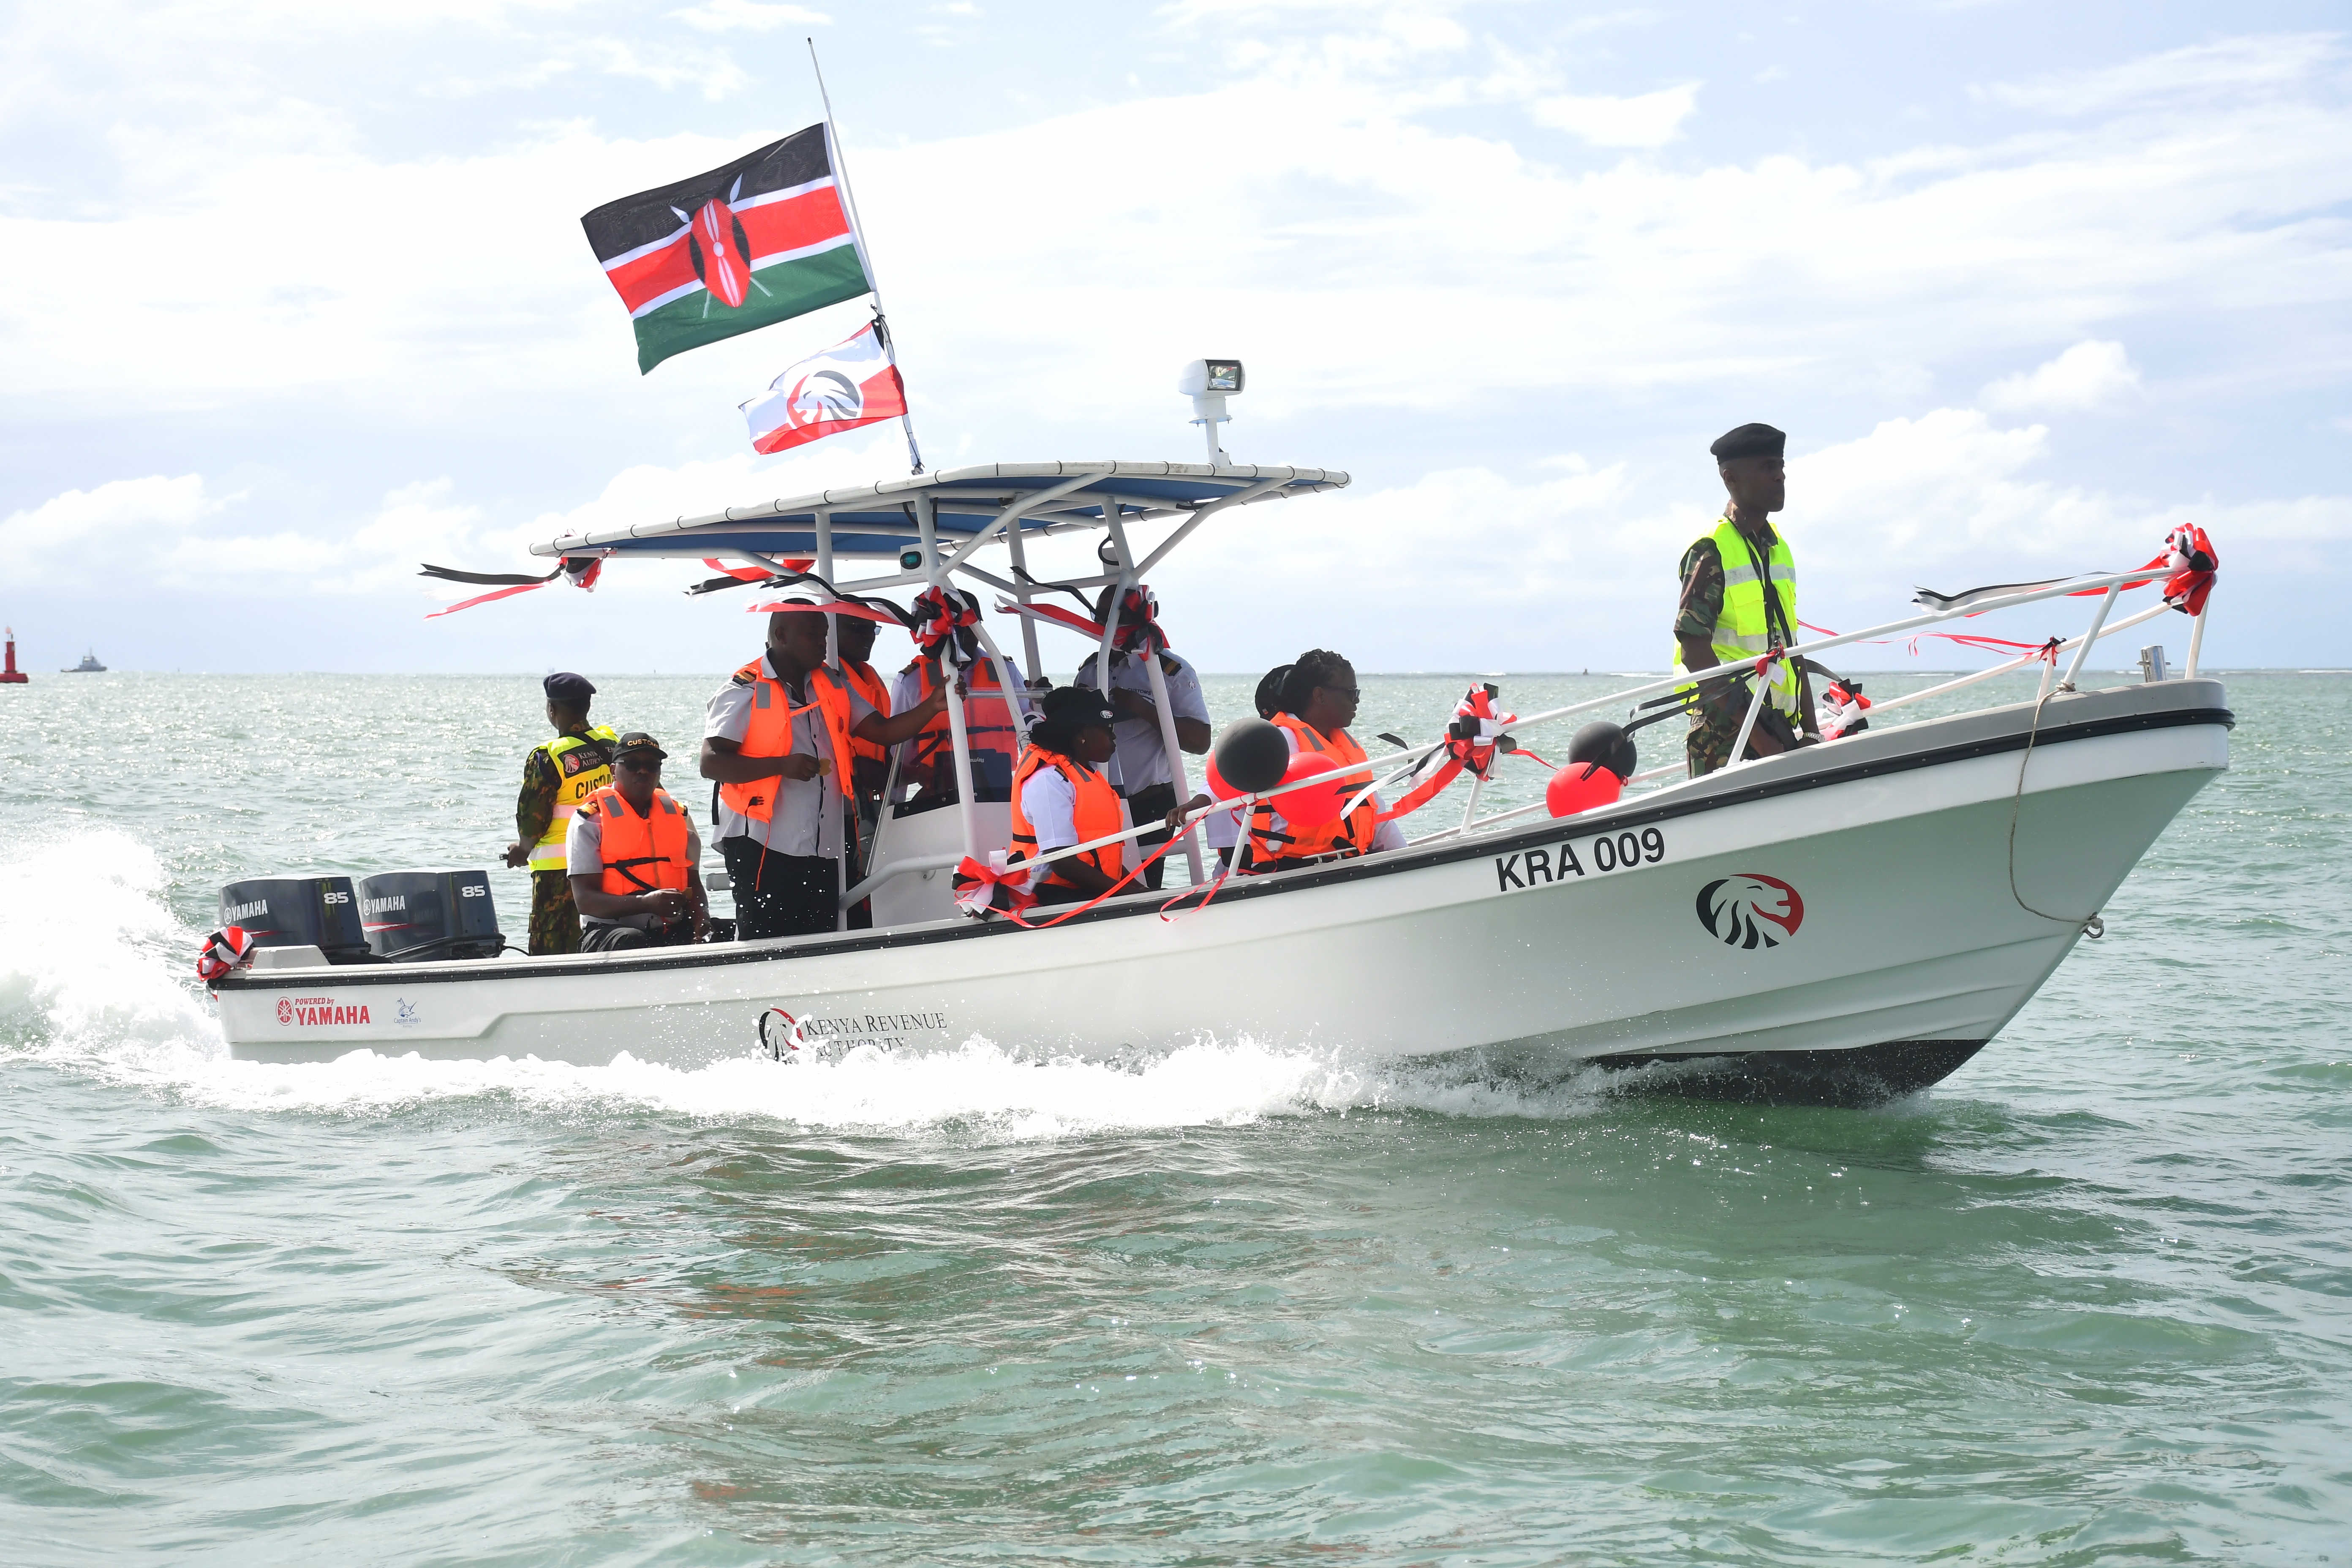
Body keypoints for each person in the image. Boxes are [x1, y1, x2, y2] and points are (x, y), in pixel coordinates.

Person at [701, 597, 947, 940]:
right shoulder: (745, 689)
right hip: (763, 843)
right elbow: (711, 762)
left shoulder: (833, 685)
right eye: (813, 634)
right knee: (766, 943)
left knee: (822, 940)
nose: (823, 643)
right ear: (781, 636)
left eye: (824, 635)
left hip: (825, 845)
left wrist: (932, 706)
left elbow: (883, 731)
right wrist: (781, 766)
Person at [1673, 422, 1818, 777]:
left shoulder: (1779, 548)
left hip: (1777, 728)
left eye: (1781, 466)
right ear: (1731, 479)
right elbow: (1694, 652)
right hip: (1725, 736)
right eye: (1768, 467)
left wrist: (1812, 731)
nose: (1780, 476)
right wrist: (1759, 738)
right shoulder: (1711, 549)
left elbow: (1791, 646)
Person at [1070, 586, 1211, 890]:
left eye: (1110, 617)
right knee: (1097, 885)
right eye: (1099, 618)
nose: (1102, 625)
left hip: (1149, 802)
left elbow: (1200, 742)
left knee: (1143, 888)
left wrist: (1145, 710)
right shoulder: (1091, 669)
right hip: (1095, 801)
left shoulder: (1170, 672)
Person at [1238, 650, 1406, 870]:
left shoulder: (1346, 747)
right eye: (1351, 693)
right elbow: (1232, 787)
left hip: (1345, 862)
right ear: (1319, 695)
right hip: (1290, 867)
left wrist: (1405, 858)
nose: (1356, 701)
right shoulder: (1281, 740)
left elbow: (1373, 809)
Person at [502, 671, 617, 956]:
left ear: (552, 710)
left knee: (554, 953)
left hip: (558, 876)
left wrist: (521, 850)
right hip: (608, 867)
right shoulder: (612, 745)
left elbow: (533, 821)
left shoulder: (548, 757)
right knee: (602, 942)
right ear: (588, 706)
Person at [566, 732, 708, 952]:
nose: (643, 771)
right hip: (609, 931)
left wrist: (702, 921)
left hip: (670, 927)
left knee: (726, 932)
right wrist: (646, 903)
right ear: (613, 771)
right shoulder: (589, 821)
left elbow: (694, 884)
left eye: (652, 765)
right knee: (632, 940)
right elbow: (585, 901)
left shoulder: (679, 816)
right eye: (632, 764)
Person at [1007, 687, 1133, 906]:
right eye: (1106, 728)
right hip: (1054, 897)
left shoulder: (1080, 773)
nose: (1113, 735)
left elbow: (1098, 856)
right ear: (1081, 735)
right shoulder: (1049, 780)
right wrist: (1129, 895)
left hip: (1090, 892)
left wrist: (1141, 891)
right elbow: (1063, 863)